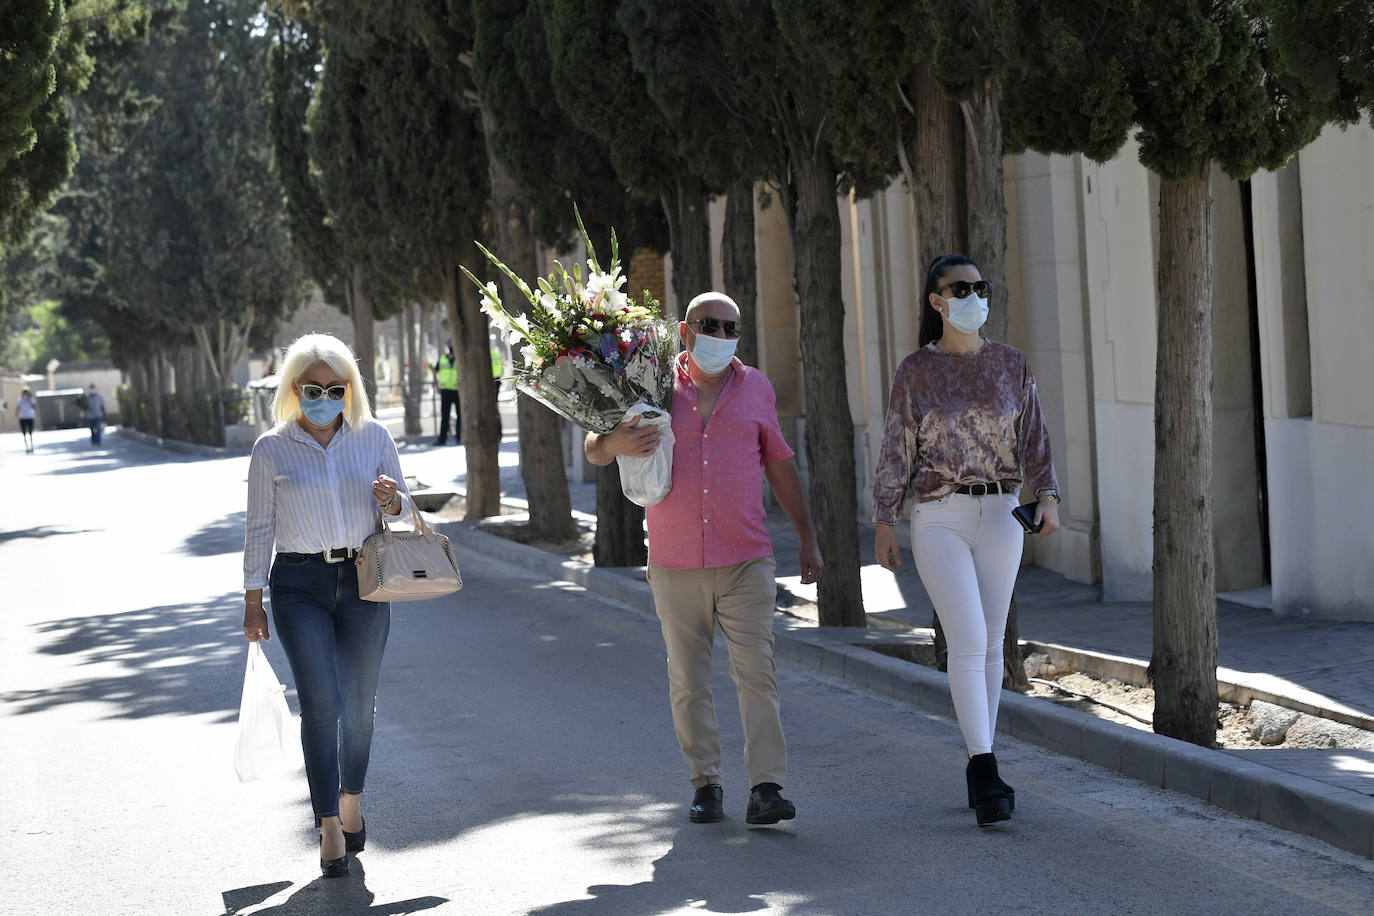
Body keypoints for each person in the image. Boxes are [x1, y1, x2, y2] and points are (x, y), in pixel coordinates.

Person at [585, 292, 823, 826]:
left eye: (731, 327)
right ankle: (706, 784)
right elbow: (594, 448)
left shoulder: (757, 386)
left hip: (747, 557)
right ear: (685, 331)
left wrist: (807, 538)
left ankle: (766, 787)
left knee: (756, 673)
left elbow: (781, 466)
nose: (721, 335)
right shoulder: (650, 383)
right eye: (709, 325)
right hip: (675, 561)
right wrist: (616, 442)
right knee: (688, 679)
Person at [872, 254, 1060, 826]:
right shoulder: (916, 372)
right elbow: (896, 445)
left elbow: (1034, 433)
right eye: (960, 288)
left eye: (981, 287)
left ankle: (984, 757)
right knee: (970, 636)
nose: (974, 295)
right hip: (939, 513)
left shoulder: (1010, 363)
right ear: (937, 301)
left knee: (994, 639)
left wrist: (1047, 493)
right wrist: (884, 518)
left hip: (1003, 510)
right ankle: (983, 765)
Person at [241, 333, 412, 877]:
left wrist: (393, 500)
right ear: (295, 389)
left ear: (349, 390)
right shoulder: (271, 448)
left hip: (363, 579)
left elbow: (404, 513)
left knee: (360, 706)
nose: (324, 397)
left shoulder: (374, 436)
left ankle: (351, 799)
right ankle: (328, 824)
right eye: (313, 388)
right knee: (321, 706)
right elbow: (258, 530)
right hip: (297, 585)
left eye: (335, 388)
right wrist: (253, 601)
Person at [431, 345, 461, 445]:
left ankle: (459, 438)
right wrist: (437, 386)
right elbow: (435, 372)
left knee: (460, 416)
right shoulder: (442, 359)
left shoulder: (460, 359)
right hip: (446, 391)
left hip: (457, 391)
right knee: (445, 416)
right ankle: (442, 439)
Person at [16, 389, 37, 453]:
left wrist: (29, 400)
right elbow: (18, 408)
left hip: (30, 417)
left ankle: (32, 446)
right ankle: (27, 447)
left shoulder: (31, 399)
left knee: (30, 433)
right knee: (24, 433)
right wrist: (17, 414)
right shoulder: (20, 400)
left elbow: (34, 407)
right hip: (22, 418)